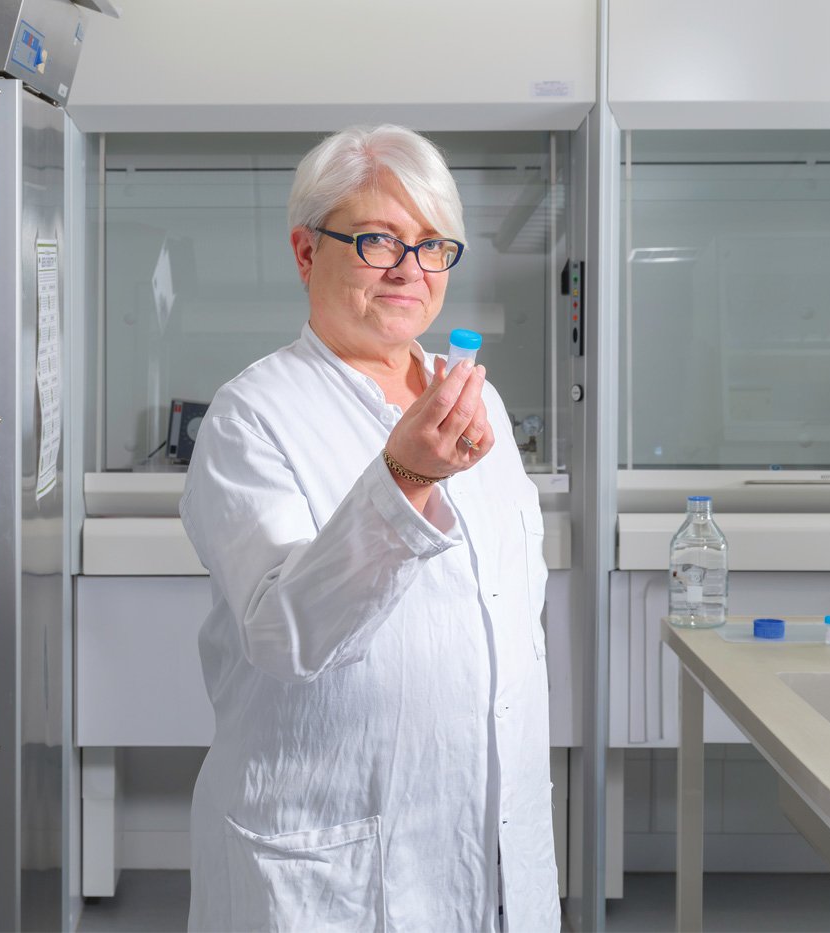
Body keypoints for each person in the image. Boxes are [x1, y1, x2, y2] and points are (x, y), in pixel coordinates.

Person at [180, 124, 557, 932]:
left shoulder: (473, 400)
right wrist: (406, 476)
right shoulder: (255, 417)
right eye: (379, 239)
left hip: (489, 842)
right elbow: (283, 634)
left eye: (431, 245)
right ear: (306, 252)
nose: (410, 270)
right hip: (335, 859)